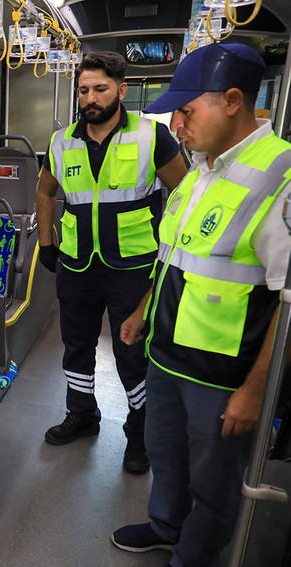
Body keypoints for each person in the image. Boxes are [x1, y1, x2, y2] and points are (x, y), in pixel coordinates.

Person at [111, 42, 291, 567]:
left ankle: (193, 557)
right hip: (167, 350)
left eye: (187, 111)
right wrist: (144, 309)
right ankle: (166, 526)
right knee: (166, 455)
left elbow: (289, 299)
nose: (177, 124)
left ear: (233, 101)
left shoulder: (277, 176)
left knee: (214, 481)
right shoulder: (203, 168)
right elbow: (176, 255)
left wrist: (257, 389)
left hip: (222, 372)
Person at [36, 51, 188, 472]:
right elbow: (46, 192)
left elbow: (183, 196)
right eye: (83, 89)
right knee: (76, 345)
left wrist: (172, 254)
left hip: (134, 265)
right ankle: (82, 414)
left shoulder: (151, 136)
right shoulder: (62, 140)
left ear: (121, 90)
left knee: (132, 352)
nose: (90, 97)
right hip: (78, 263)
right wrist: (47, 244)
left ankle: (140, 434)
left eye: (100, 89)